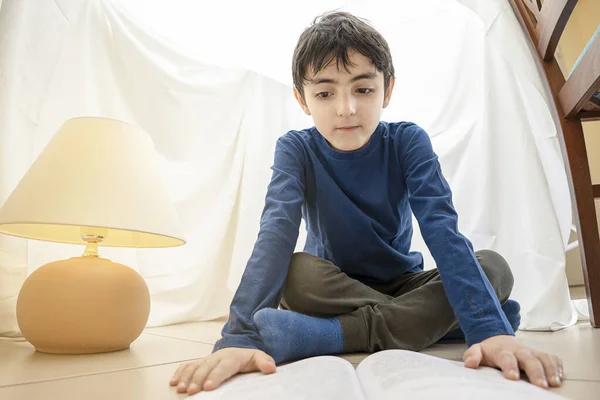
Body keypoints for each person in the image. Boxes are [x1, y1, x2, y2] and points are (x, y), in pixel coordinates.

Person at [170, 11, 564, 395]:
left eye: (363, 89)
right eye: (325, 93)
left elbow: (441, 228)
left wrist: (487, 330)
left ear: (387, 89)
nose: (346, 109)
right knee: (296, 274)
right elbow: (276, 232)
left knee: (494, 268)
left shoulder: (408, 141)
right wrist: (238, 336)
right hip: (330, 287)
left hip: (402, 281)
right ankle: (440, 321)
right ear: (302, 99)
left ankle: (336, 334)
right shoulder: (295, 149)